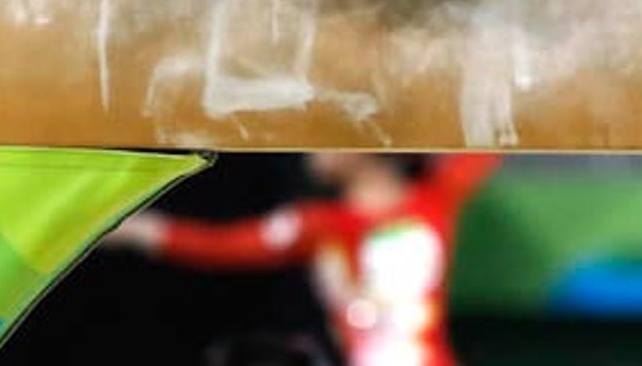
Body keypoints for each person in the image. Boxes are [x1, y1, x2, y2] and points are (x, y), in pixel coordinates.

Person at [105, 154, 498, 366]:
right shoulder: (321, 226)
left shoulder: (433, 202)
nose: (312, 146)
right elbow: (227, 245)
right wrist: (145, 232)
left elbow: (494, 135)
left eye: (329, 136)